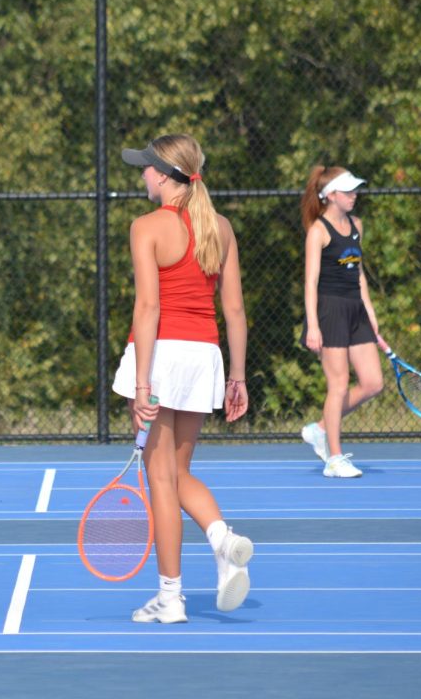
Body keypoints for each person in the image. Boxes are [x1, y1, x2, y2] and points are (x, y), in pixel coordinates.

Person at [114, 134, 252, 625]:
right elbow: (234, 310)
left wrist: (143, 385)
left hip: (163, 354)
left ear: (166, 176)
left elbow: (148, 307)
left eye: (146, 168)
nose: (142, 175)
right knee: (178, 472)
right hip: (205, 356)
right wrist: (238, 376)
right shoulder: (222, 227)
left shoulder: (146, 226)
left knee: (160, 480)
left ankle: (170, 597)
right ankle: (221, 539)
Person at [299, 167, 385, 479]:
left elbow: (358, 274)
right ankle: (334, 459)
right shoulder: (318, 232)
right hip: (329, 311)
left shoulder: (357, 225)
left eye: (354, 190)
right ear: (330, 195)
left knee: (374, 382)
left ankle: (320, 429)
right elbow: (310, 282)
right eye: (348, 191)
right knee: (337, 385)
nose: (354, 195)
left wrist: (371, 316)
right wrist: (313, 325)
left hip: (355, 311)